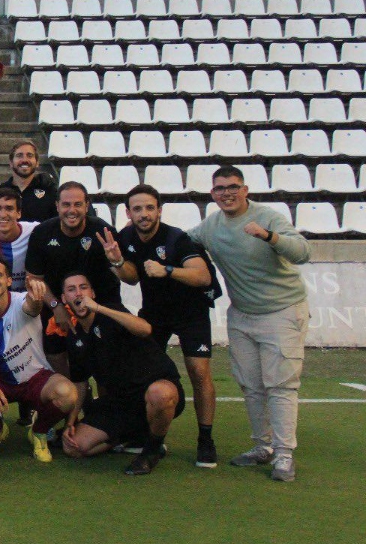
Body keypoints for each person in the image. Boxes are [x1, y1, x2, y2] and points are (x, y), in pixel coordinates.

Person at [188, 166, 311, 482]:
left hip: (282, 311)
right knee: (251, 384)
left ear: (245, 189)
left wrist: (270, 237)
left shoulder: (268, 217)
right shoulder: (211, 225)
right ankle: (263, 447)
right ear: (212, 194)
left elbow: (302, 252)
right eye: (220, 188)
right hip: (242, 314)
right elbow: (182, 242)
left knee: (281, 385)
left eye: (233, 187)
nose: (227, 193)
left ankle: (284, 456)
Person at [99, 184, 221, 468]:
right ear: (128, 213)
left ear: (159, 211)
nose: (144, 214)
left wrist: (167, 270)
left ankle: (206, 440)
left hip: (192, 313)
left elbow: (202, 277)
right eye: (137, 209)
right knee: (142, 371)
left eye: (149, 208)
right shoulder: (126, 237)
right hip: (155, 312)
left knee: (198, 371)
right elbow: (130, 278)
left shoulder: (177, 239)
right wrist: (117, 261)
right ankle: (146, 435)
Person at [0, 254, 77, 459]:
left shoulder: (20, 302)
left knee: (68, 393)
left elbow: (32, 307)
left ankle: (39, 431)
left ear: (9, 280)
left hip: (36, 378)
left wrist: (36, 298)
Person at [59, 273, 185, 475]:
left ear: (92, 293)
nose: (79, 293)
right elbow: (80, 383)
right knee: (74, 447)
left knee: (160, 394)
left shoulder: (112, 313)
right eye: (71, 289)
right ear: (64, 298)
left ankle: (152, 450)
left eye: (83, 287)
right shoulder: (75, 338)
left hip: (155, 393)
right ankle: (129, 436)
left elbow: (145, 328)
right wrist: (71, 422)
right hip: (121, 404)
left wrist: (99, 308)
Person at [25, 181, 120, 376]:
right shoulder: (42, 233)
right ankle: (74, 396)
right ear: (57, 206)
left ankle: (107, 402)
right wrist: (56, 305)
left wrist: (118, 262)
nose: (72, 210)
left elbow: (126, 275)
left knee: (107, 368)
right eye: (66, 204)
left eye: (78, 204)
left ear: (87, 206)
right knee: (55, 355)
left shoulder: (103, 231)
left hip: (102, 304)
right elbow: (33, 279)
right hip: (59, 305)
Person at [0, 141, 58, 222]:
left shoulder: (49, 191)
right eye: (19, 155)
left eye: (30, 156)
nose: (24, 160)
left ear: (37, 163)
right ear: (11, 163)